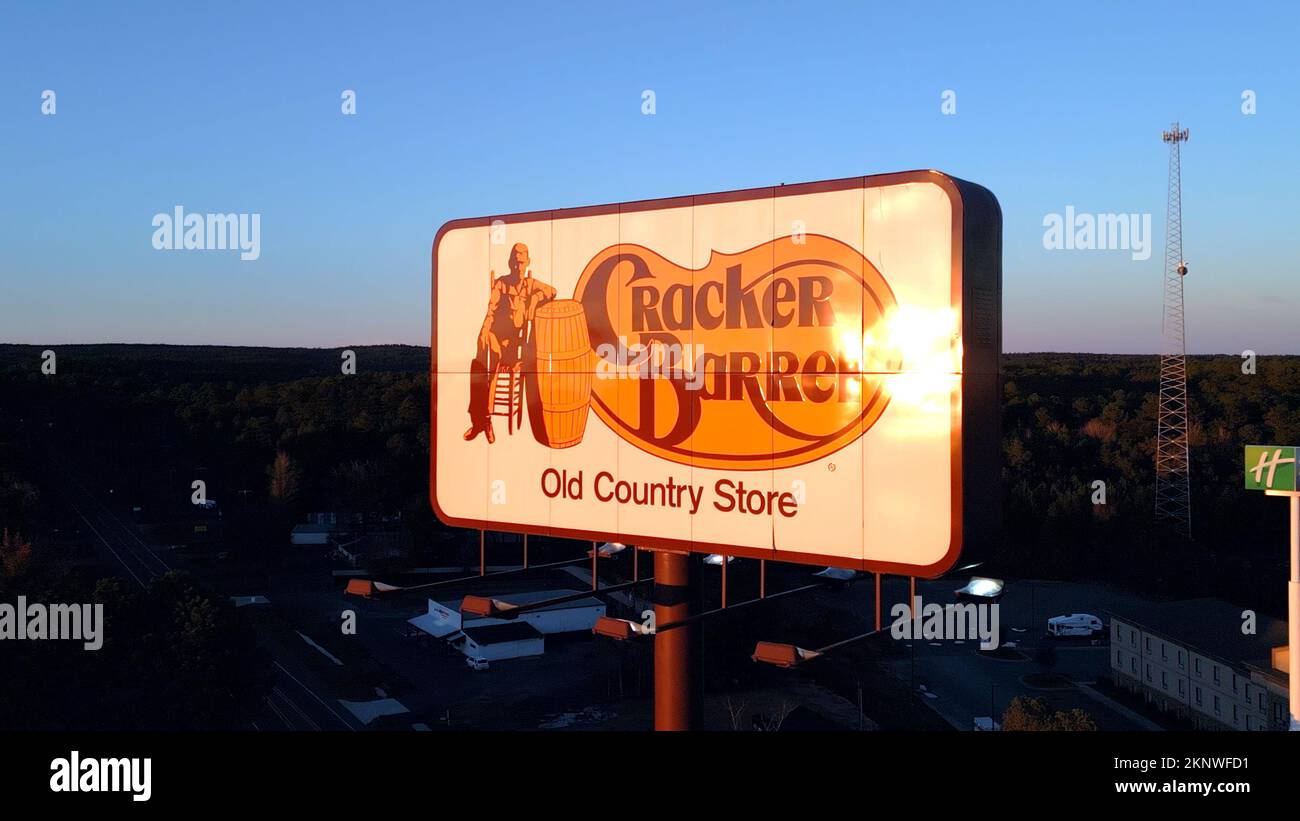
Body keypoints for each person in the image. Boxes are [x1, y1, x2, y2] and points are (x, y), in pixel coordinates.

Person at [464, 242, 556, 443]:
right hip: (496, 339)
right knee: (482, 361)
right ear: (509, 263)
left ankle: (482, 420)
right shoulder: (501, 283)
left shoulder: (531, 285)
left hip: (515, 348)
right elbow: (490, 310)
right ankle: (483, 420)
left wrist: (535, 299)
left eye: (522, 263)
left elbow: (552, 291)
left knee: (489, 368)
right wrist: (484, 330)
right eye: (515, 262)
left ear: (528, 262)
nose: (518, 267)